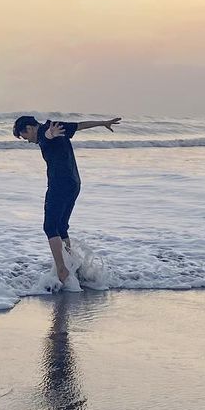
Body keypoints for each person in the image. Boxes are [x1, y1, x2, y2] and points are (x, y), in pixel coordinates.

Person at [12, 114, 122, 284]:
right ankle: (71, 267)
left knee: (50, 227)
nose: (26, 140)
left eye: (24, 136)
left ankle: (62, 270)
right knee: (61, 227)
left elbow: (47, 137)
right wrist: (103, 123)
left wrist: (50, 135)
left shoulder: (45, 132)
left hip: (59, 185)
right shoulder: (56, 126)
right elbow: (80, 125)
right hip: (74, 183)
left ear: (29, 128)